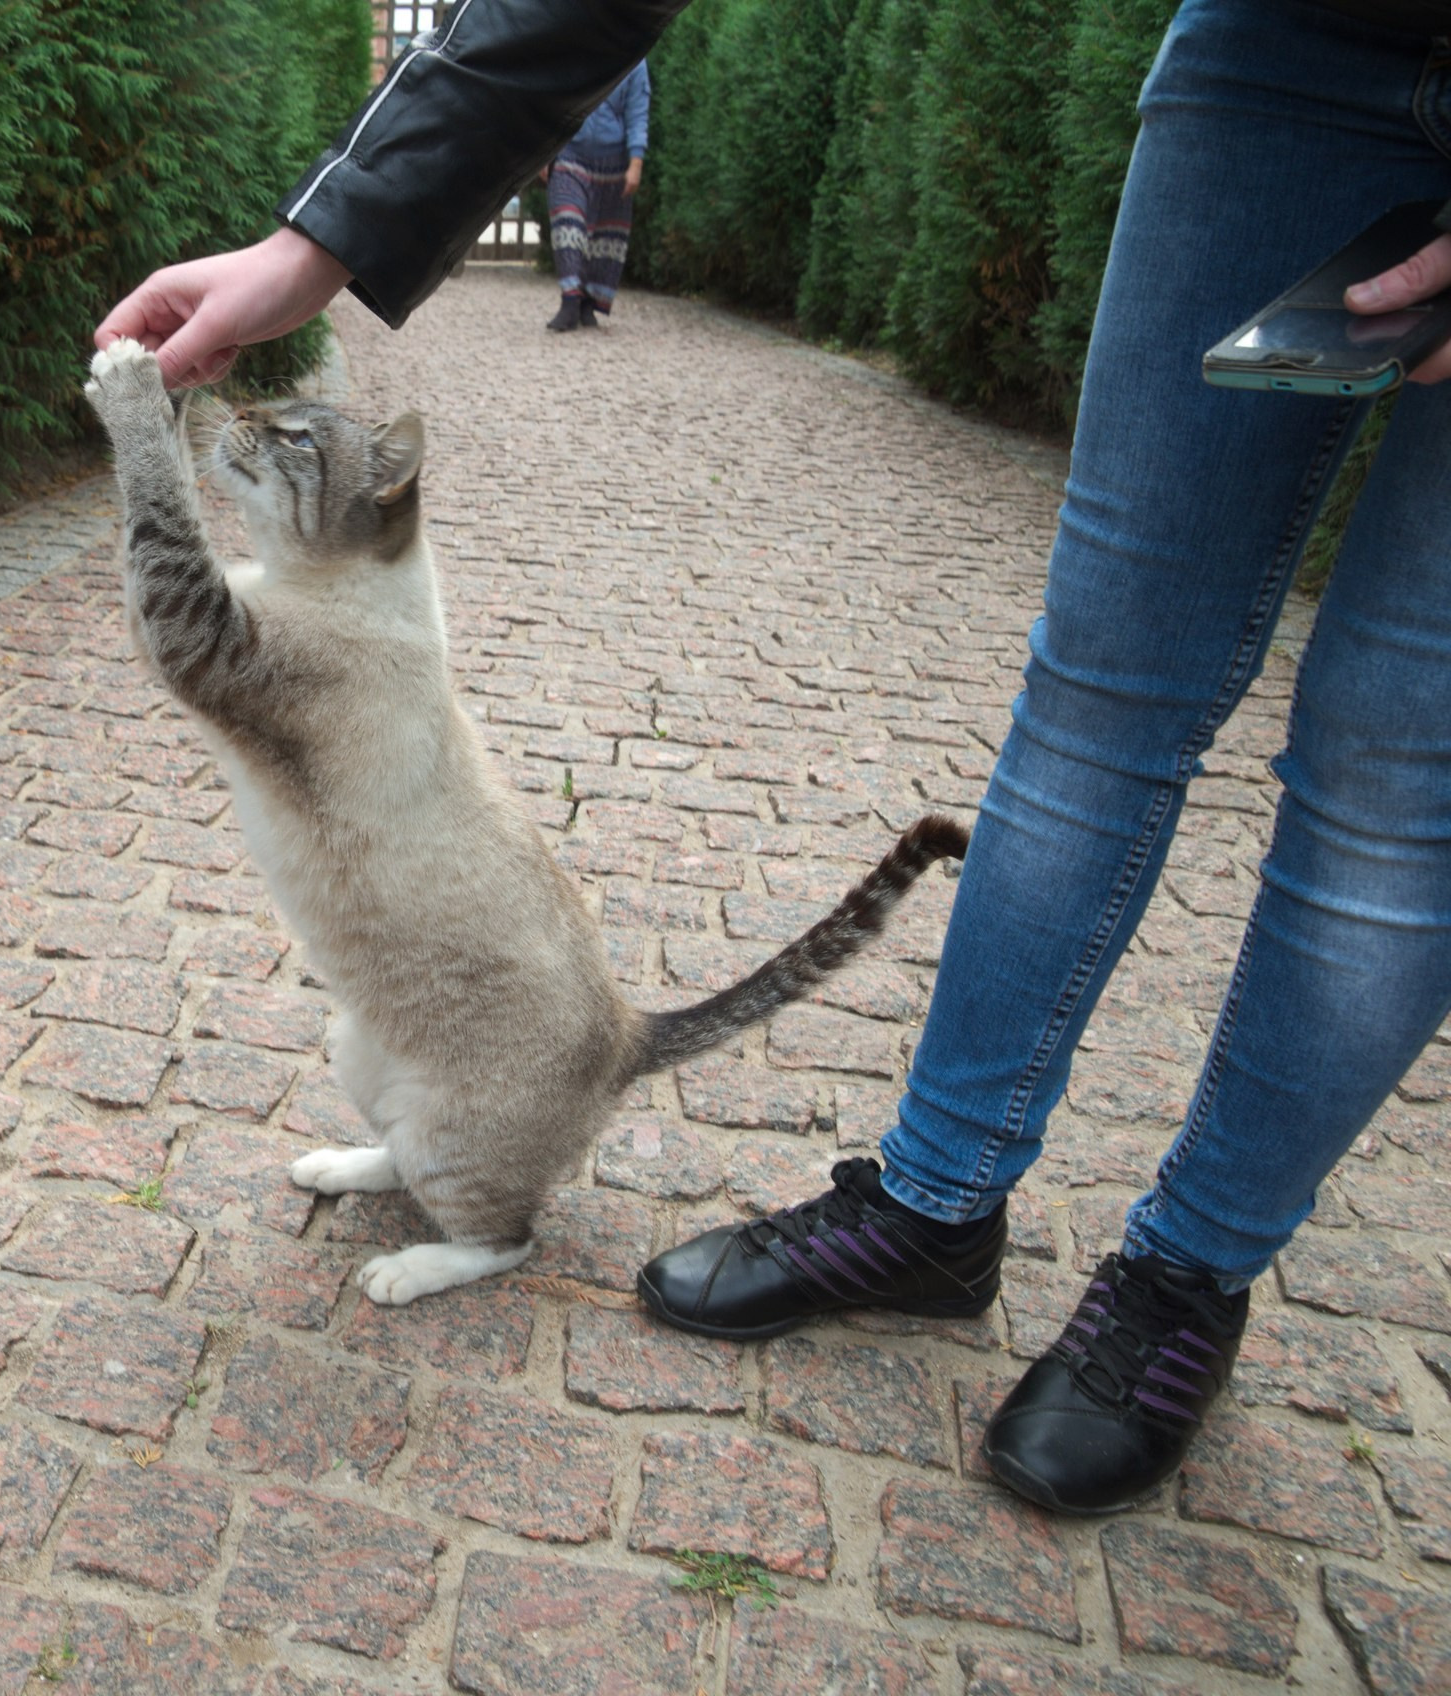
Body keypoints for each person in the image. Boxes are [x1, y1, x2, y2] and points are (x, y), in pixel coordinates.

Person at [96, 0, 1451, 1517]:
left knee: (1403, 791)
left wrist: (145, 437)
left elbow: (192, 640)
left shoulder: (351, 626)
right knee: (1097, 701)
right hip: (1282, 52)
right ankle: (936, 1205)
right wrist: (320, 239)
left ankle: (1190, 1277)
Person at [542, 57, 647, 330]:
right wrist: (542, 151)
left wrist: (636, 161)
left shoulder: (636, 59)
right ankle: (570, 299)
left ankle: (588, 302)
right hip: (571, 155)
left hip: (613, 161)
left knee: (605, 238)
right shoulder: (578, 45)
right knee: (568, 223)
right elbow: (553, 100)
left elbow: (637, 112)